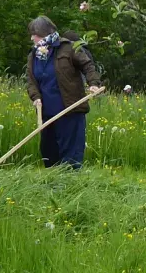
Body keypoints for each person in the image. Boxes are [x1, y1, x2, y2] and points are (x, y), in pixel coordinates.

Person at [24, 16, 103, 169]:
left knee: (71, 155)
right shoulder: (34, 56)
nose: (32, 37)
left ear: (46, 33)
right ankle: (53, 187)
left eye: (35, 34)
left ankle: (71, 188)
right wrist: (35, 97)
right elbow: (31, 80)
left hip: (70, 110)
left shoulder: (69, 47)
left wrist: (93, 84)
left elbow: (88, 65)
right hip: (47, 113)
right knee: (49, 153)